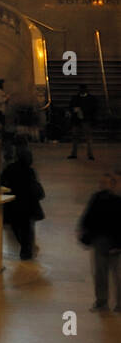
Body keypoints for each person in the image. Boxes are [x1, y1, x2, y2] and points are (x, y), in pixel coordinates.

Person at [79, 171, 121, 311]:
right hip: (100, 242)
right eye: (101, 183)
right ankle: (102, 302)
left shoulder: (116, 201)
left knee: (117, 276)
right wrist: (85, 234)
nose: (102, 186)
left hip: (115, 244)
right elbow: (87, 218)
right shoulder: (97, 198)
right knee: (100, 275)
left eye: (106, 183)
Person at [0, 144, 45, 261]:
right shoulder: (30, 171)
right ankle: (27, 249)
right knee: (27, 228)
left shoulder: (10, 168)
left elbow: (2, 182)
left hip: (14, 204)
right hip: (28, 205)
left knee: (17, 227)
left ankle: (26, 248)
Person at [68, 84, 97, 160]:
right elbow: (70, 107)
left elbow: (94, 109)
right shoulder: (90, 98)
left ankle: (88, 154)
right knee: (78, 137)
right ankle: (86, 154)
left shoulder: (78, 98)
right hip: (78, 120)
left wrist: (79, 110)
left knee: (86, 138)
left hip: (85, 120)